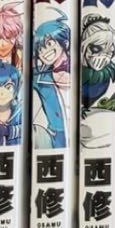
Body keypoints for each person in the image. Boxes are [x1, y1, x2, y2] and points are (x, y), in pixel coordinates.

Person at [31, 10, 72, 149]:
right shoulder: (39, 76)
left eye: (49, 44)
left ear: (64, 42)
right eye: (40, 49)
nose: (44, 52)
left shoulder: (82, 70)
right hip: (56, 136)